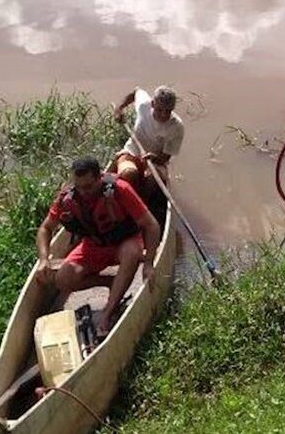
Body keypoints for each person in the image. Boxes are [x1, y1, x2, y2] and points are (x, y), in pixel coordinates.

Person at [35, 157, 161, 336]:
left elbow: (151, 225)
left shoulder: (120, 189)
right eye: (79, 187)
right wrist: (43, 259)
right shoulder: (68, 198)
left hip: (124, 241)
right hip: (94, 245)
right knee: (62, 279)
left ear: (99, 178)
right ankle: (111, 282)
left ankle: (108, 312)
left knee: (132, 252)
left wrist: (148, 262)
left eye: (88, 187)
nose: (83, 192)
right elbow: (45, 228)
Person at [112, 86, 184, 191]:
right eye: (159, 110)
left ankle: (143, 203)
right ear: (152, 104)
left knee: (153, 181)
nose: (163, 115)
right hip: (132, 152)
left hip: (155, 161)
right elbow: (136, 91)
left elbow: (166, 157)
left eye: (168, 111)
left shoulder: (177, 127)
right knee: (129, 173)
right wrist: (119, 108)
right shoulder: (143, 105)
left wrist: (154, 158)